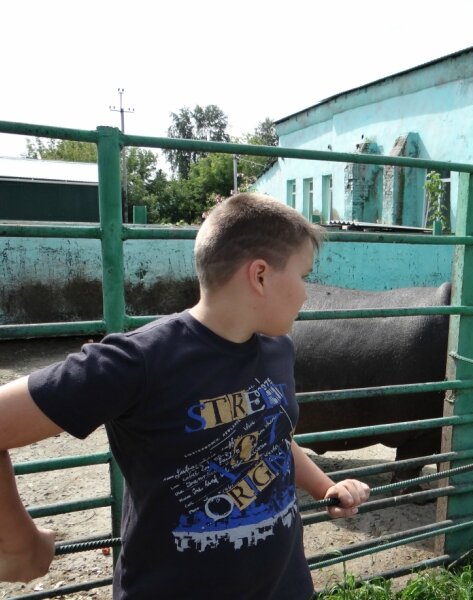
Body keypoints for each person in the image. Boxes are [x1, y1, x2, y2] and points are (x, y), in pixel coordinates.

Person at [0, 192, 370, 599]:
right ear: (260, 275)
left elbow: (270, 434)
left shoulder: (277, 349)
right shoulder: (138, 360)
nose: (306, 293)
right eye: (304, 275)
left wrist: (325, 487)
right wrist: (21, 545)